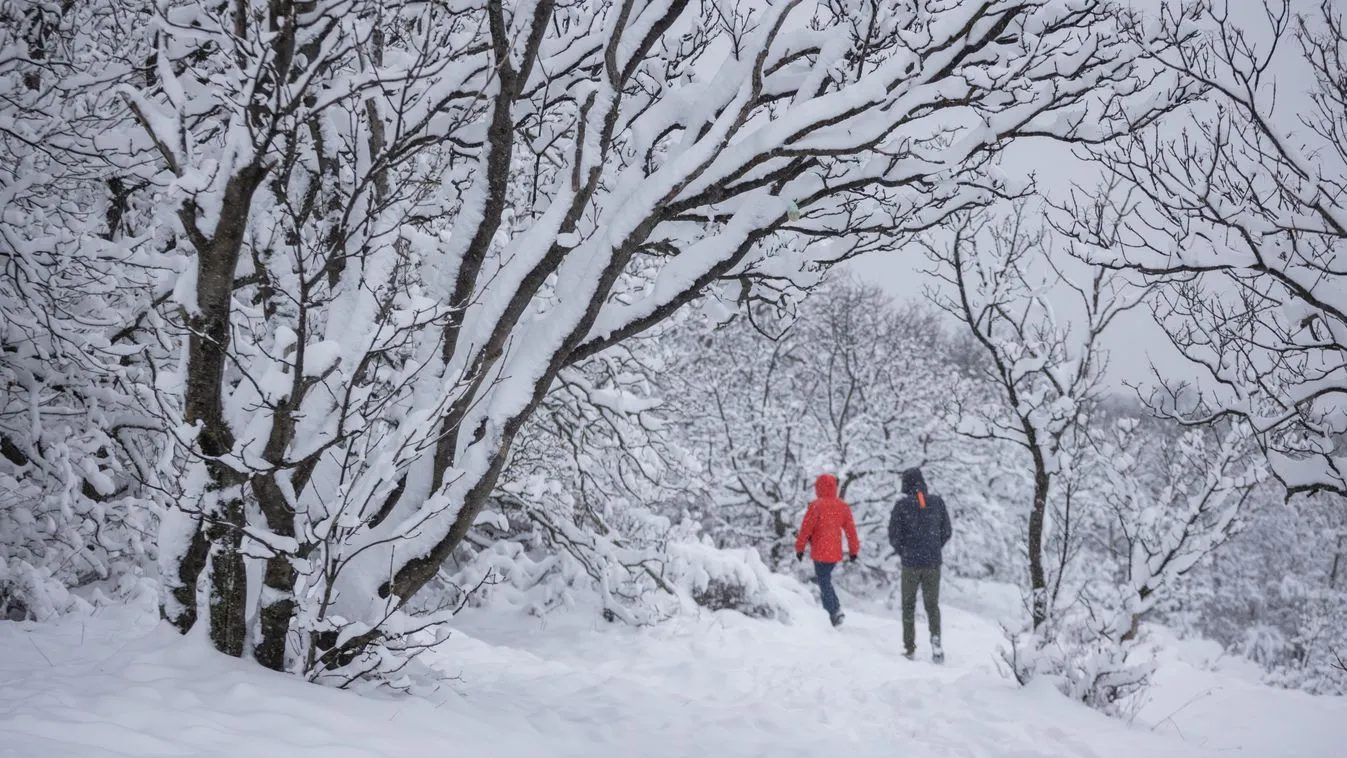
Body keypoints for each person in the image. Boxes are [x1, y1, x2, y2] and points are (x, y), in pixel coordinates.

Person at [888, 467, 952, 662]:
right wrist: (934, 546)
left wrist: (904, 550)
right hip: (933, 563)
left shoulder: (901, 506)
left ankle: (909, 647)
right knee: (932, 605)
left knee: (908, 605)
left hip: (910, 564)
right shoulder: (937, 503)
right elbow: (947, 531)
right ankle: (936, 642)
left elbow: (893, 534)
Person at [795, 473, 860, 627]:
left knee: (824, 582)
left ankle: (833, 612)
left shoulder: (816, 506)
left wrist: (800, 548)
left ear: (819, 487)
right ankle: (834, 611)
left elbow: (806, 529)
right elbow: (851, 531)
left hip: (819, 551)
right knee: (825, 580)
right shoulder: (842, 506)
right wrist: (853, 551)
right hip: (834, 552)